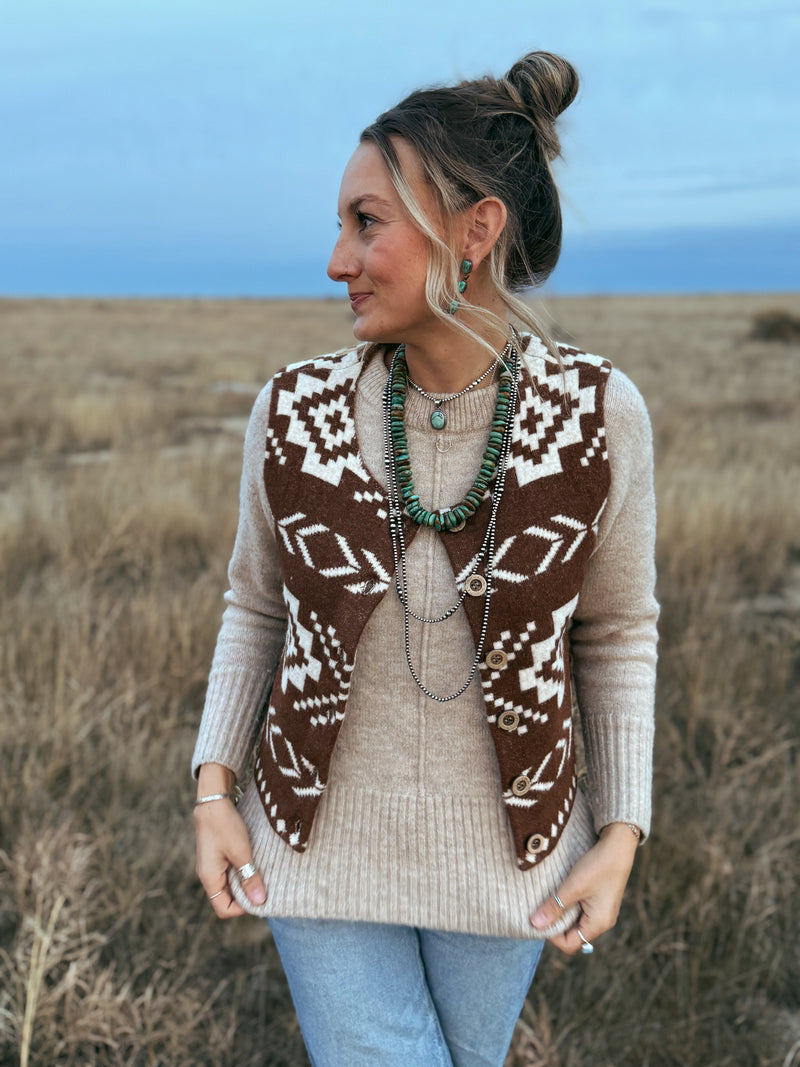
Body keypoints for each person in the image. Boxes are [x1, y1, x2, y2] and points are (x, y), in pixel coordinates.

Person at [193, 50, 658, 1067]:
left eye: (366, 222)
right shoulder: (295, 411)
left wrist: (621, 831)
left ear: (474, 231)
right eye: (340, 225)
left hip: (513, 866)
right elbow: (255, 605)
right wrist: (213, 788)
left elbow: (618, 629)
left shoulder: (596, 415)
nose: (337, 260)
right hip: (312, 850)